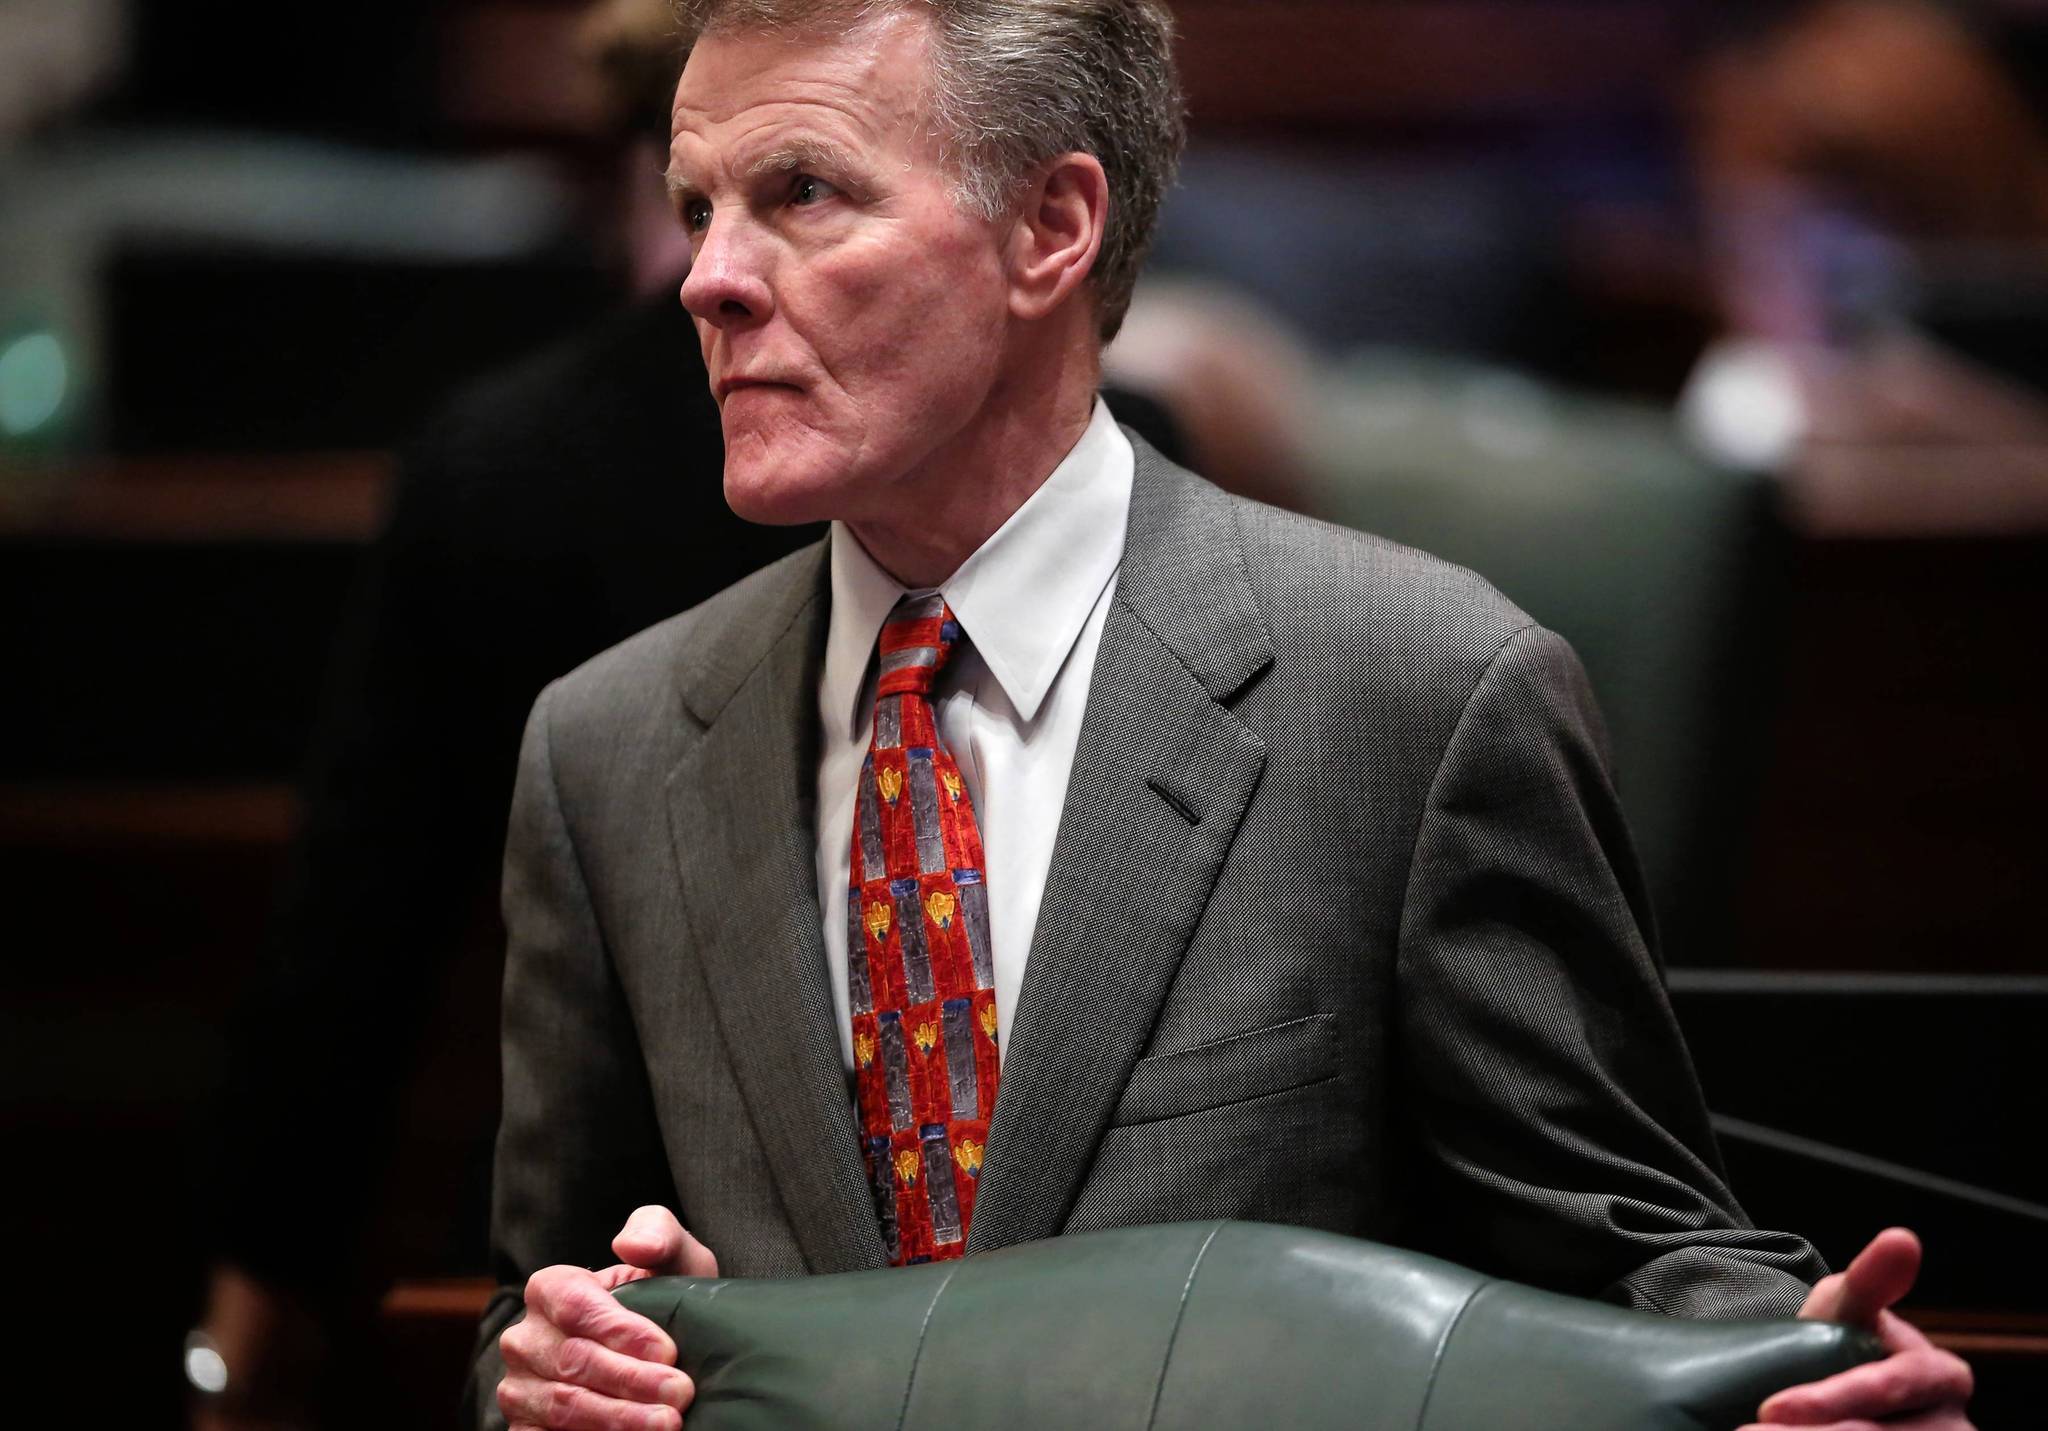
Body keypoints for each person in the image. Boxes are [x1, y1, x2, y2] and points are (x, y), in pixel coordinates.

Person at [473, 4, 1976, 1429]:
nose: (708, 278)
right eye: (695, 207)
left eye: (801, 193)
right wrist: (553, 1367)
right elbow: (522, 1320)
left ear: (1050, 229)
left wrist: (1800, 1377)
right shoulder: (610, 750)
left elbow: (1643, 1258)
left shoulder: (1419, 695)